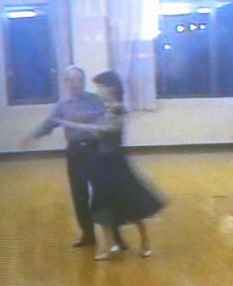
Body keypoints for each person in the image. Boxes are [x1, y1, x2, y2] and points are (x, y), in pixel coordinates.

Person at [55, 71, 164, 261]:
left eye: (100, 87)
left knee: (131, 204)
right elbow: (98, 130)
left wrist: (74, 124)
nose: (98, 91)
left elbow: (103, 129)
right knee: (102, 205)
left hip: (116, 164)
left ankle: (145, 242)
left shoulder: (118, 109)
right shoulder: (106, 108)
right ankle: (110, 246)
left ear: (111, 88)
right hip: (102, 162)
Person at [21, 66, 127, 249]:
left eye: (79, 80)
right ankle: (88, 235)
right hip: (75, 153)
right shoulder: (62, 105)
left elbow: (113, 118)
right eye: (71, 80)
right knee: (79, 195)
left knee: (104, 194)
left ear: (83, 81)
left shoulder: (96, 100)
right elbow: (48, 124)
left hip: (96, 151)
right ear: (66, 82)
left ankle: (116, 237)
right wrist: (32, 136)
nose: (76, 84)